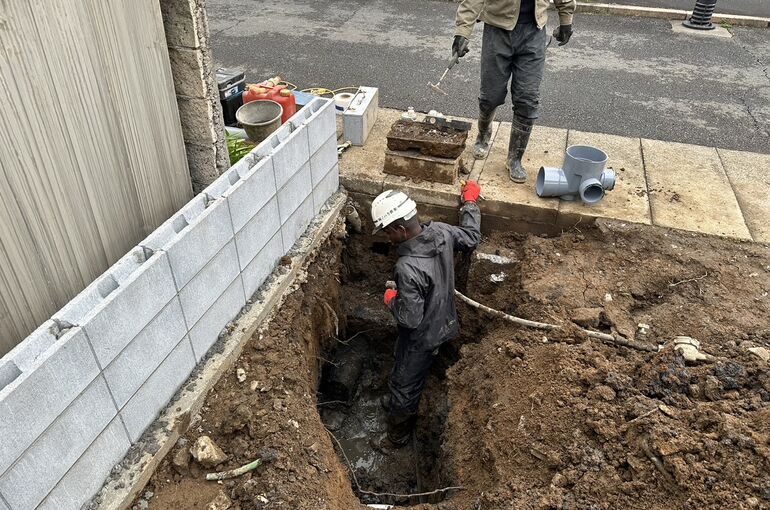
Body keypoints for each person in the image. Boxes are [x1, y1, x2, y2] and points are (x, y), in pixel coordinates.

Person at [370, 181, 482, 447]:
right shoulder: (442, 232)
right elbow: (471, 237)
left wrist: (391, 299)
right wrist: (470, 204)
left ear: (399, 228)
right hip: (446, 323)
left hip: (421, 339)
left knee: (403, 385)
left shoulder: (407, 268)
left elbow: (410, 319)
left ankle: (397, 439)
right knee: (409, 367)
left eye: (387, 232)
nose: (387, 237)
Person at [452, 0, 576, 183]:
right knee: (490, 96)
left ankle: (514, 158)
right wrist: (462, 31)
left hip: (534, 33)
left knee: (527, 99)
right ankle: (484, 133)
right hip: (497, 31)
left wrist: (566, 19)